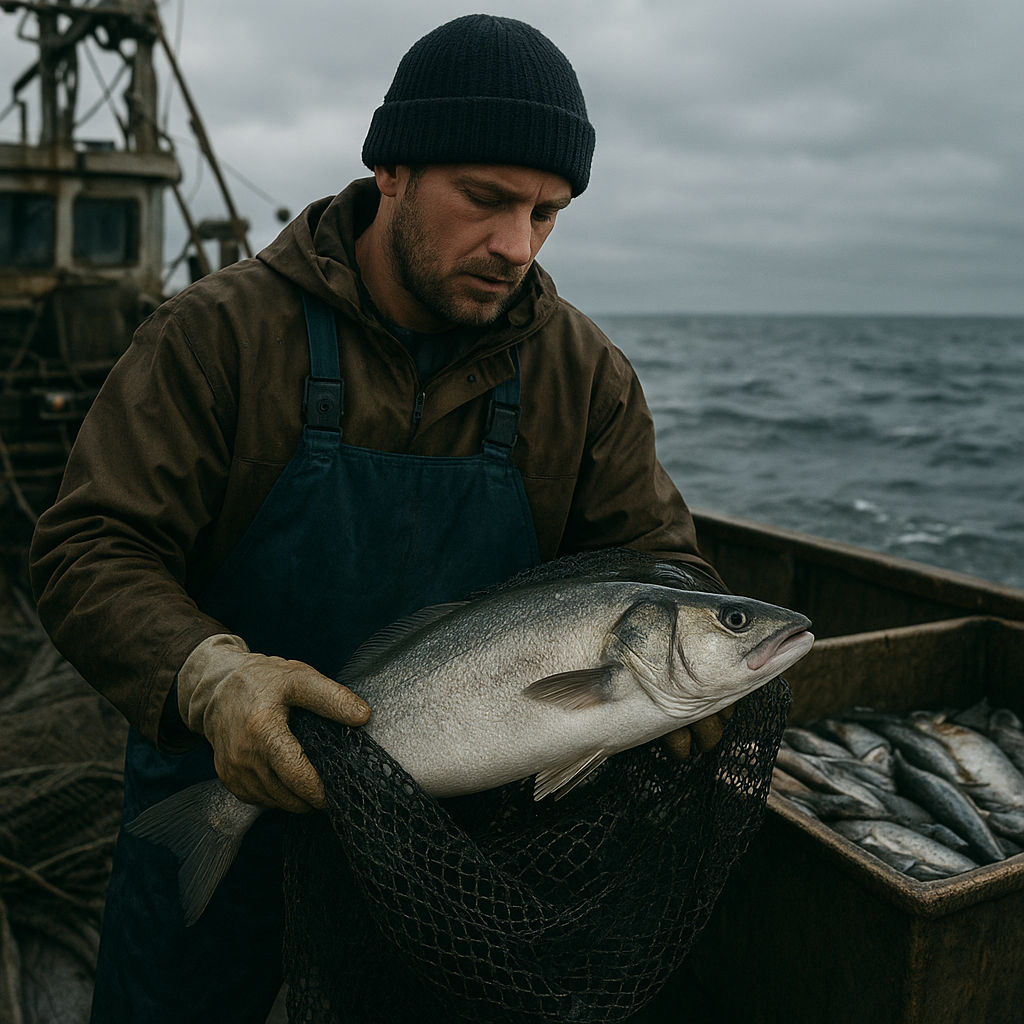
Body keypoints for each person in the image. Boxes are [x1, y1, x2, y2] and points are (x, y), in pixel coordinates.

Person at [29, 13, 726, 1023]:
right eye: (485, 198)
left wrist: (690, 653)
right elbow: (89, 547)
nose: (516, 245)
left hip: (450, 859)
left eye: (546, 213)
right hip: (225, 791)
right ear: (391, 169)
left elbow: (656, 561)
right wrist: (210, 679)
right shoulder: (216, 336)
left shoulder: (585, 377)